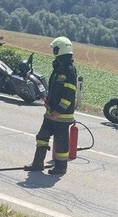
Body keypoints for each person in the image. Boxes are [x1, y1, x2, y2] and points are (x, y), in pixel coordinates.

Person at [24, 36, 77, 175]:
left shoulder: (69, 70)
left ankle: (61, 167)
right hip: (51, 111)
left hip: (62, 114)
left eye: (55, 49)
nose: (53, 51)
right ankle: (38, 163)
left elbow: (69, 94)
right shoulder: (58, 68)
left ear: (60, 50)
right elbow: (55, 89)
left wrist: (59, 110)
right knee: (42, 136)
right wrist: (48, 100)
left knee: (61, 140)